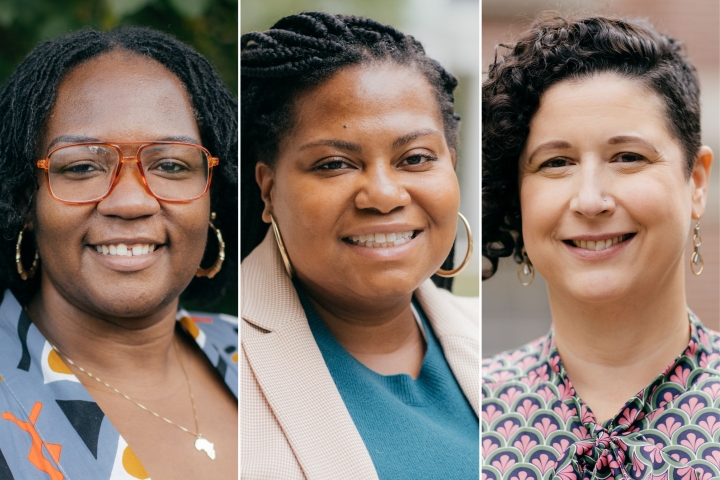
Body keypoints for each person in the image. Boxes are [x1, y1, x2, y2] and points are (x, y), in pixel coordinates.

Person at [241, 12, 479, 479]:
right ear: (268, 189)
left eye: (415, 158)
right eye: (334, 164)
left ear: (451, 165)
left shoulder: (490, 347)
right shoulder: (223, 357)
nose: (385, 195)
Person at [482, 13, 719, 480]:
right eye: (556, 162)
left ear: (696, 182)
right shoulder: (471, 408)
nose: (590, 200)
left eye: (628, 157)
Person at [0, 28, 238, 479]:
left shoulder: (266, 360)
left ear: (213, 198)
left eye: (170, 165)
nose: (131, 202)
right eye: (83, 166)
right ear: (23, 202)